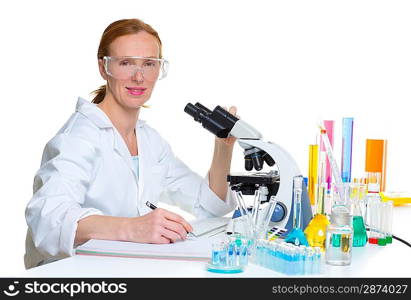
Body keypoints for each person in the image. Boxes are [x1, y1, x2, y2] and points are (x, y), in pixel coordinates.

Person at [24, 18, 238, 269]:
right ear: (104, 68)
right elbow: (48, 222)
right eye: (126, 63)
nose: (139, 76)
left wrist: (223, 146)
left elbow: (211, 206)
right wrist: (134, 228)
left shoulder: (149, 141)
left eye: (149, 64)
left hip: (122, 271)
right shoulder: (78, 137)